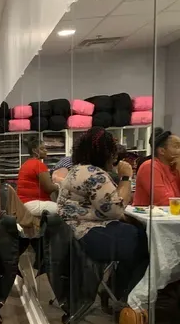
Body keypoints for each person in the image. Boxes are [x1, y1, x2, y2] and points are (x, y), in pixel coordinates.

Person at [57, 127, 149, 301]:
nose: (115, 158)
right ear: (105, 153)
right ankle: (128, 298)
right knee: (146, 242)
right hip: (87, 235)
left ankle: (115, 290)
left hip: (72, 233)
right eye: (113, 153)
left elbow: (102, 207)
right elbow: (115, 210)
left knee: (133, 234)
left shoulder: (78, 170)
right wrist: (126, 178)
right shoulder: (95, 174)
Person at [133, 128, 180, 206]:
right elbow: (164, 202)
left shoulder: (175, 167)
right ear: (162, 151)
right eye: (177, 146)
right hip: (148, 217)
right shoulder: (150, 166)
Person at [17, 137, 59, 215]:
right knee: (65, 210)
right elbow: (48, 188)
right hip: (33, 203)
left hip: (22, 204)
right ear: (34, 150)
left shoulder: (25, 164)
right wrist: (59, 185)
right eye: (42, 149)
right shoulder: (38, 164)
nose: (46, 150)